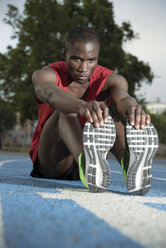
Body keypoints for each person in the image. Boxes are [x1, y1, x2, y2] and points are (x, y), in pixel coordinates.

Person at [29, 25, 158, 195]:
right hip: (54, 161)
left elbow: (123, 98)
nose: (84, 68)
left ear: (97, 58)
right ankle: (86, 163)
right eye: (76, 59)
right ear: (64, 55)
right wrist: (82, 105)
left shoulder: (111, 79)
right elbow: (51, 93)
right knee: (64, 111)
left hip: (92, 166)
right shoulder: (45, 75)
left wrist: (133, 109)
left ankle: (128, 163)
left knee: (108, 113)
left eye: (91, 60)